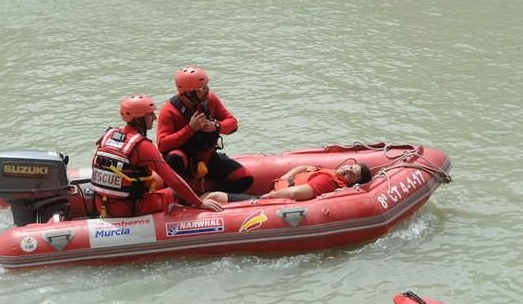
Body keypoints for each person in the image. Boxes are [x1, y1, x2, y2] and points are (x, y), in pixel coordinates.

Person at [90, 94, 223, 217]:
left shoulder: (108, 135)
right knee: (176, 192)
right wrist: (200, 203)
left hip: (102, 203)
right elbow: (173, 180)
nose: (154, 117)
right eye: (150, 114)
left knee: (155, 180)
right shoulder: (142, 146)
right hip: (128, 208)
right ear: (138, 118)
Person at [156, 66, 254, 194]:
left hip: (206, 157)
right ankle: (173, 195)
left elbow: (232, 123)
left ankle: (211, 196)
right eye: (202, 89)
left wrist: (216, 126)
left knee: (244, 178)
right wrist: (190, 128)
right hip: (183, 158)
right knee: (175, 159)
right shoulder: (169, 111)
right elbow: (162, 145)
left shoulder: (211, 100)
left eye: (206, 86)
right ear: (188, 93)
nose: (207, 91)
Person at [203, 163, 372, 203]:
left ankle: (191, 207)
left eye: (351, 174)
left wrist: (270, 196)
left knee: (216, 196)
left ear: (351, 184)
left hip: (269, 201)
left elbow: (295, 194)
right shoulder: (329, 171)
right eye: (350, 167)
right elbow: (304, 167)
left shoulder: (328, 181)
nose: (347, 170)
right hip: (275, 191)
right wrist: (285, 177)